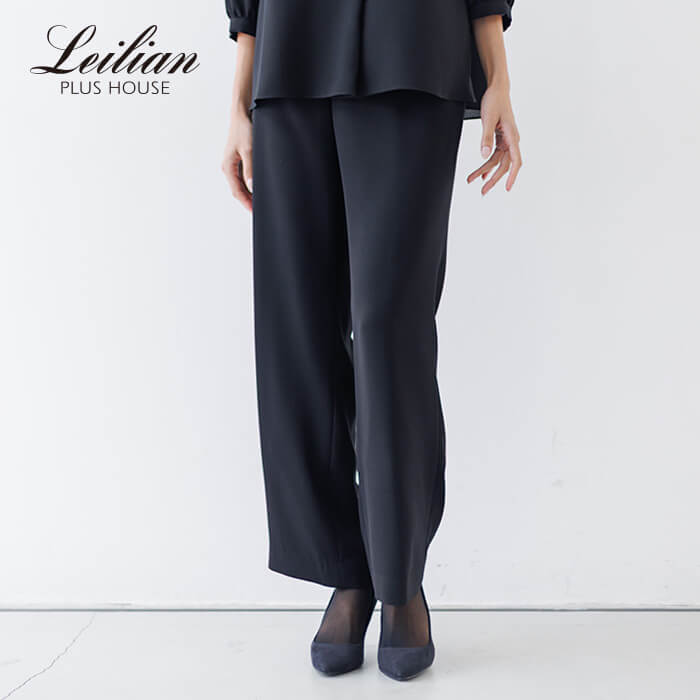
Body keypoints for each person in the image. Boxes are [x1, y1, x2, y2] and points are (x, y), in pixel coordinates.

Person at [221, 0, 521, 681]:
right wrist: (238, 100)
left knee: (391, 330)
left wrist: (498, 78)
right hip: (290, 59)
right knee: (298, 330)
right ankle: (346, 570)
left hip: (413, 51)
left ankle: (398, 575)